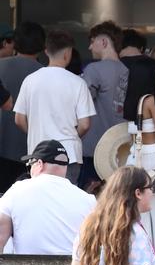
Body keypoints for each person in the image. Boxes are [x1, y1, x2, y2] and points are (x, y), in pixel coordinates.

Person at [14, 29, 95, 186]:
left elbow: (19, 119)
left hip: (38, 153)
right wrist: (71, 135)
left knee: (40, 202)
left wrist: (36, 132)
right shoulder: (77, 83)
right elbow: (85, 124)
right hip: (69, 154)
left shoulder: (30, 80)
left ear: (46, 51)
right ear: (68, 53)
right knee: (66, 203)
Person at [0, 140, 96, 255]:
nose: (29, 170)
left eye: (30, 165)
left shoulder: (17, 190)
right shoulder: (88, 200)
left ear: (39, 164)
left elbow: (1, 238)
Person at [123, 57, 155, 263]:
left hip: (138, 159)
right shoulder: (152, 101)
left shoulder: (133, 101)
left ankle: (142, 261)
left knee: (142, 217)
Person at [81, 21, 129, 189]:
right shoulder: (127, 70)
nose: (89, 47)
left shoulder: (94, 70)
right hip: (121, 150)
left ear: (103, 42)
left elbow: (80, 102)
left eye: (92, 41)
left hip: (94, 150)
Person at [0, 21, 45, 192]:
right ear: (42, 46)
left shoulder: (1, 66)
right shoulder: (44, 72)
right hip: (31, 149)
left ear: (15, 43)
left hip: (2, 143)